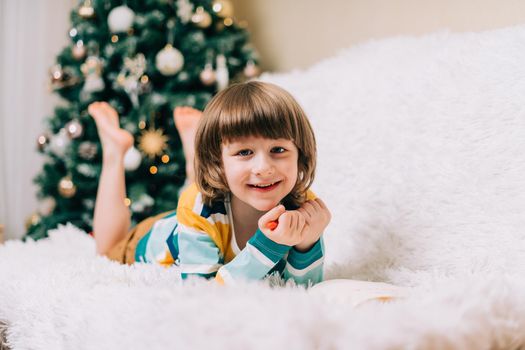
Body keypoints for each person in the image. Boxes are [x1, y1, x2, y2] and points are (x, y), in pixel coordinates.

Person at [88, 81, 331, 285]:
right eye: (244, 152)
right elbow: (203, 294)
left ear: (301, 154)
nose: (264, 168)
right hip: (156, 237)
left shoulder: (302, 205)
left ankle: (197, 151)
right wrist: (268, 246)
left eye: (278, 149)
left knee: (203, 193)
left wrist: (307, 243)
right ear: (217, 162)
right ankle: (114, 151)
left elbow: (301, 290)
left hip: (205, 211)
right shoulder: (197, 208)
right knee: (106, 251)